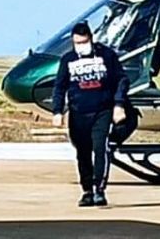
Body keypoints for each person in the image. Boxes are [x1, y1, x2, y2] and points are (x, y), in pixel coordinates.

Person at [51, 22, 129, 207]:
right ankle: (87, 190)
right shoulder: (68, 59)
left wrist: (119, 105)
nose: (81, 45)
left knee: (100, 148)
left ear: (90, 39)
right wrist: (57, 111)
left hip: (102, 110)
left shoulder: (106, 55)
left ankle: (99, 189)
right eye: (77, 42)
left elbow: (121, 80)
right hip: (78, 113)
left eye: (84, 41)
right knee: (82, 152)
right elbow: (60, 87)